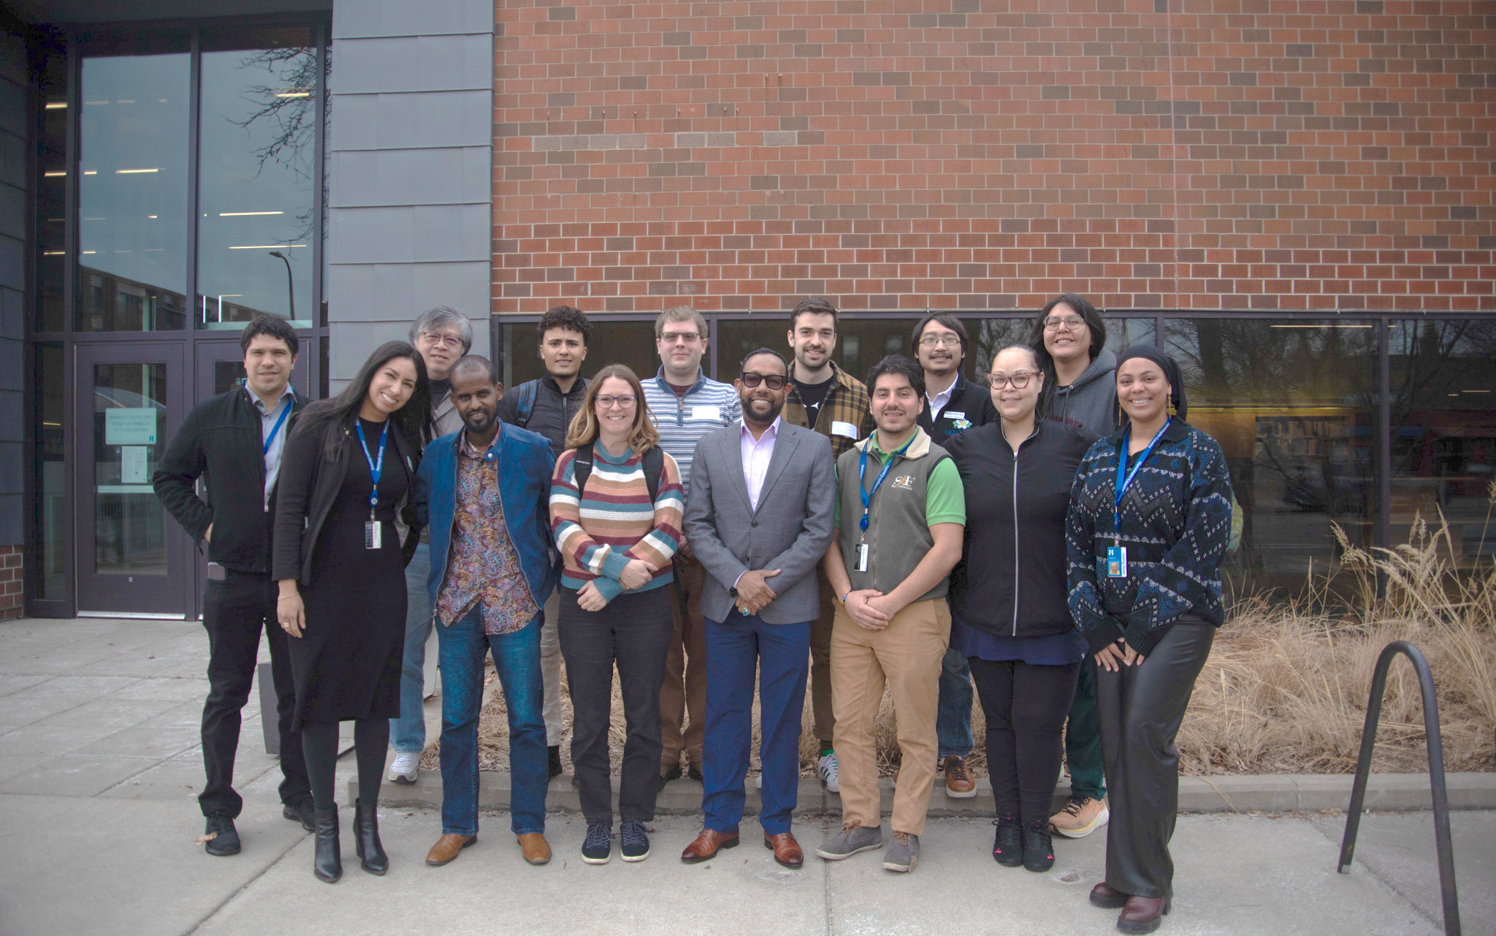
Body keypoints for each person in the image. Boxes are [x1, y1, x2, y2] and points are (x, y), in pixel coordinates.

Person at [1066, 345, 1233, 933]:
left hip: (1177, 621)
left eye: (1149, 379)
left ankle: (1152, 884)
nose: (1136, 388)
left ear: (1170, 387)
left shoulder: (1198, 451)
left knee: (1144, 734)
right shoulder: (1100, 454)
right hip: (1111, 627)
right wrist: (1094, 620)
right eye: (1128, 380)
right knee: (1115, 743)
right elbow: (1077, 541)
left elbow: (1204, 545)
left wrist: (1143, 623)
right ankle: (1124, 872)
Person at [153, 314, 314, 856]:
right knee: (227, 693)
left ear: (294, 359)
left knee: (296, 693)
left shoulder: (313, 417)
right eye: (258, 353)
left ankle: (300, 793)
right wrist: (207, 525)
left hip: (294, 583)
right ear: (244, 359)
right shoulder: (212, 416)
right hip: (233, 583)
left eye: (279, 353)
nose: (268, 362)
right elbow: (168, 477)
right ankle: (219, 810)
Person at [273, 341, 430, 883]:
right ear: (371, 372)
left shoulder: (404, 437)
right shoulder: (319, 424)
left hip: (381, 586)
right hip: (320, 587)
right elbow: (289, 508)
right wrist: (287, 586)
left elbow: (411, 510)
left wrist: (398, 559)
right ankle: (325, 826)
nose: (397, 390)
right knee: (318, 702)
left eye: (408, 385)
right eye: (391, 376)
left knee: (373, 703)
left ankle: (368, 824)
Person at [678, 349, 835, 870]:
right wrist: (739, 579)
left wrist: (771, 582)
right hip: (725, 606)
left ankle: (778, 825)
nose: (761, 387)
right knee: (723, 714)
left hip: (788, 606)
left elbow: (819, 529)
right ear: (738, 385)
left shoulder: (813, 448)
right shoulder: (710, 447)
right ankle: (719, 821)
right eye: (752, 379)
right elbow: (697, 524)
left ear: (787, 388)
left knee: (783, 718)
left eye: (773, 379)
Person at [945, 344, 1097, 874]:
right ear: (990, 386)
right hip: (984, 614)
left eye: (1020, 378)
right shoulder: (965, 449)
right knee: (1002, 723)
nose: (1009, 389)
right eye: (1000, 380)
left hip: (1055, 615)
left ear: (1039, 384)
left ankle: (1036, 822)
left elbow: (1103, 518)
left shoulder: (1074, 443)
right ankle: (1007, 820)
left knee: (1041, 722)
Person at [816, 355, 965, 874]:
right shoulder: (847, 462)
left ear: (919, 403)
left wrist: (892, 601)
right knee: (849, 725)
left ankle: (906, 830)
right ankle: (861, 822)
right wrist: (846, 594)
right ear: (871, 403)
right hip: (853, 614)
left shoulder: (937, 464)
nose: (892, 402)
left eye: (904, 393)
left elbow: (947, 549)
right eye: (883, 394)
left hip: (914, 615)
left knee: (915, 729)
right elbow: (829, 538)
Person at [414, 356, 558, 868]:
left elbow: (557, 518)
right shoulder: (436, 456)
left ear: (498, 391)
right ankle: (458, 826)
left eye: (482, 393)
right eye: (463, 396)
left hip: (515, 604)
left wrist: (545, 581)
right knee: (456, 720)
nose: (474, 404)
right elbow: (420, 515)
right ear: (453, 401)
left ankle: (529, 825)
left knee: (525, 720)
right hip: (456, 606)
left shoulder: (533, 450)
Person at [550, 364, 685, 865]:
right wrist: (611, 572)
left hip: (644, 604)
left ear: (638, 405)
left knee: (644, 715)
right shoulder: (572, 462)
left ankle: (634, 815)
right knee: (588, 718)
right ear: (593, 406)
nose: (615, 407)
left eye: (625, 399)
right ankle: (596, 821)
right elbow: (564, 529)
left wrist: (611, 581)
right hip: (582, 606)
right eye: (606, 399)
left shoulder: (659, 463)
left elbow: (669, 530)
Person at [1029, 293, 1120, 839]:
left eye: (1072, 322)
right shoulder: (1036, 387)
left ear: (1092, 332)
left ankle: (1091, 789)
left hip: (1099, 545)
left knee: (1092, 668)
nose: (1061, 330)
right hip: (1044, 546)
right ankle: (1052, 778)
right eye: (1052, 323)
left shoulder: (1113, 384)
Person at [641, 305, 741, 790]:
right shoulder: (634, 396)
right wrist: (664, 532)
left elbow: (738, 467)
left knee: (707, 654)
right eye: (670, 336)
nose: (680, 344)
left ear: (704, 344)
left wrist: (698, 532)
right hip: (650, 546)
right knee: (660, 654)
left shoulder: (727, 398)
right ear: (658, 344)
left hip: (709, 547)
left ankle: (702, 750)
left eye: (689, 336)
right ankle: (663, 752)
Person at [780, 296, 875, 794]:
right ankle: (775, 751)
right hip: (776, 550)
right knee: (780, 653)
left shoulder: (860, 396)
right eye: (806, 332)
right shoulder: (769, 389)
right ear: (791, 338)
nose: (815, 340)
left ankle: (830, 749)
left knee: (831, 654)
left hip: (838, 548)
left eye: (825, 333)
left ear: (834, 340)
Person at [497, 304, 593, 779]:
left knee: (586, 652)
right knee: (546, 649)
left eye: (571, 343)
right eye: (554, 342)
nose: (563, 350)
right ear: (541, 349)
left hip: (593, 544)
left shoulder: (602, 397)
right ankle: (549, 744)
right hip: (536, 546)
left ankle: (588, 744)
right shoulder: (519, 399)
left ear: (584, 350)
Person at [911, 312, 998, 800]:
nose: (939, 347)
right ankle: (914, 749)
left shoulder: (984, 402)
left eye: (949, 339)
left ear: (964, 350)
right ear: (918, 351)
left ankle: (954, 752)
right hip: (903, 546)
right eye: (929, 339)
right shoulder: (903, 395)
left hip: (960, 549)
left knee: (952, 660)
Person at [389, 306, 472, 784]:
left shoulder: (470, 397)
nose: (441, 345)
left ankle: (461, 745)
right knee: (406, 648)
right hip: (413, 543)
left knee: (462, 650)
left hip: (464, 543)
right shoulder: (395, 395)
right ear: (415, 340)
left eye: (452, 339)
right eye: (432, 336)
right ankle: (406, 745)